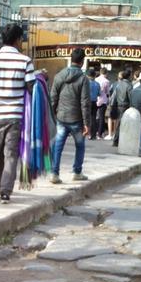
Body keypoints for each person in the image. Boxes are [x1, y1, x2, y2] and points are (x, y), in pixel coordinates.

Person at [0, 23, 35, 204]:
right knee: (11, 154)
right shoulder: (25, 61)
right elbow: (32, 88)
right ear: (18, 40)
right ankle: (5, 191)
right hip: (15, 117)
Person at [49, 47, 90, 184]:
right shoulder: (83, 79)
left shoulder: (59, 75)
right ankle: (77, 172)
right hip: (77, 119)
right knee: (80, 145)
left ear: (71, 59)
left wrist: (51, 114)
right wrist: (86, 123)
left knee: (58, 145)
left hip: (61, 117)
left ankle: (54, 174)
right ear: (82, 62)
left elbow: (53, 97)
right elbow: (85, 102)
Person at [111, 68, 132, 147]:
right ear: (129, 76)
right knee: (122, 124)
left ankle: (116, 140)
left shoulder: (118, 84)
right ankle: (117, 140)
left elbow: (114, 96)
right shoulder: (129, 85)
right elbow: (130, 97)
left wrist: (113, 105)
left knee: (119, 123)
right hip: (125, 106)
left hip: (118, 105)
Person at [95, 67, 110, 139]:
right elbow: (107, 92)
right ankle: (99, 133)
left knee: (94, 116)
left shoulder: (96, 79)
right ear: (106, 73)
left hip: (95, 99)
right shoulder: (107, 81)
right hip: (103, 100)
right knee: (101, 117)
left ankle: (93, 131)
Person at [87, 68, 100, 140]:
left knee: (86, 118)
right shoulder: (97, 84)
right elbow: (99, 94)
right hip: (94, 102)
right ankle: (93, 134)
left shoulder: (86, 83)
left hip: (87, 102)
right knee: (93, 118)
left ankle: (87, 133)